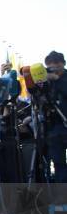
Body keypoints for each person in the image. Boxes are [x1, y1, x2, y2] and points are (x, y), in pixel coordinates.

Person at [45, 51, 67, 183]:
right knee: (58, 163)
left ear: (62, 64)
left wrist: (57, 80)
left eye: (55, 65)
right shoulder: (48, 81)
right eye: (49, 66)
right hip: (54, 127)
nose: (52, 69)